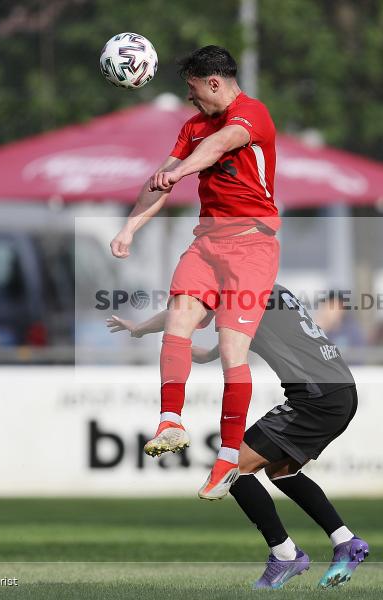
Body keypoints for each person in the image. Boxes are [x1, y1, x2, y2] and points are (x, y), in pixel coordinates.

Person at [107, 284, 369, 589]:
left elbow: (185, 311)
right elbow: (227, 343)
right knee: (281, 471)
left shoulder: (240, 292)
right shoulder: (270, 289)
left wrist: (140, 328)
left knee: (232, 468)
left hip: (316, 397)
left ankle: (285, 554)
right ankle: (344, 541)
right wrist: (193, 349)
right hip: (339, 392)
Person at [110, 45, 281, 499]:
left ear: (214, 83)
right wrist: (130, 228)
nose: (190, 98)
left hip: (252, 245)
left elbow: (220, 145)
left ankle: (228, 458)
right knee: (179, 319)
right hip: (207, 243)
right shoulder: (192, 127)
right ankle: (170, 421)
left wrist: (183, 170)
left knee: (230, 350)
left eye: (193, 89)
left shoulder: (252, 114)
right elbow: (159, 179)